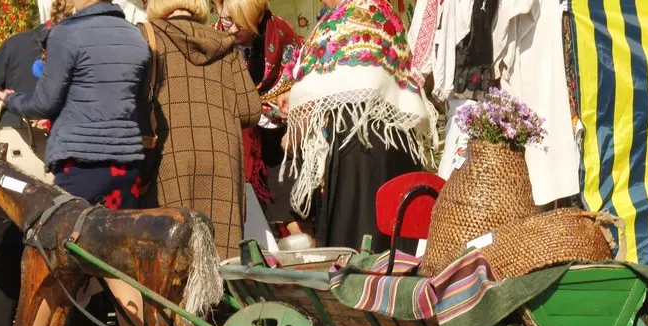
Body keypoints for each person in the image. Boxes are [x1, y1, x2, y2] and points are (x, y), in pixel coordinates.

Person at [0, 0, 152, 326]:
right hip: (125, 165)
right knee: (121, 268)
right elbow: (137, 102)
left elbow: (44, 103)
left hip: (79, 163)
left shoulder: (68, 33)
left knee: (52, 267)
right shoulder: (135, 38)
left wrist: (12, 99)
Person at [0, 17, 85, 326]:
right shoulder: (81, 44)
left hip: (15, 168)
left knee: (7, 256)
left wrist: (20, 109)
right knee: (61, 260)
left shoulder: (15, 44)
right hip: (58, 167)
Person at [283, 0, 435, 251]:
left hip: (355, 145)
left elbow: (310, 92)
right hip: (398, 142)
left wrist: (295, 135)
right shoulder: (386, 16)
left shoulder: (338, 22)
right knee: (395, 244)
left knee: (355, 243)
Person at [144, 0, 261, 259]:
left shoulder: (147, 37)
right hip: (222, 159)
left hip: (170, 157)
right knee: (221, 253)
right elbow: (250, 110)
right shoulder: (225, 44)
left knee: (174, 253)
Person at [213, 0, 300, 218]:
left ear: (258, 18)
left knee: (290, 215)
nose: (232, 29)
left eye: (241, 24)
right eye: (226, 20)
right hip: (231, 138)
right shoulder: (213, 41)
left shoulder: (282, 36)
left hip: (278, 135)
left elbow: (302, 83)